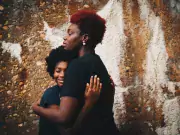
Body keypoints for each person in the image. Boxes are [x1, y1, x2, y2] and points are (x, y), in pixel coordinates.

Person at [32, 10, 119, 135]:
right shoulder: (97, 62)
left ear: (84, 38)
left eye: (70, 33)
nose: (65, 37)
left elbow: (63, 117)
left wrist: (37, 109)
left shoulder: (77, 65)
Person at [38, 46, 102, 135]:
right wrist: (89, 104)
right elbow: (68, 133)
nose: (62, 75)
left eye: (67, 70)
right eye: (58, 70)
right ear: (52, 72)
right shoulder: (51, 95)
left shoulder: (76, 93)